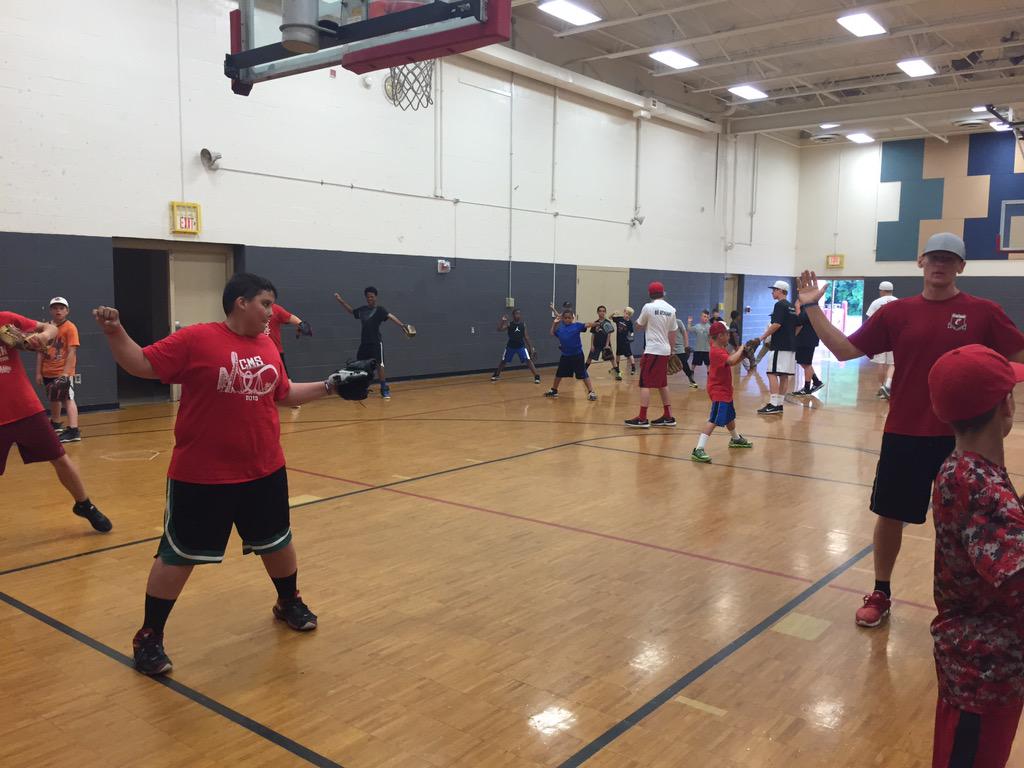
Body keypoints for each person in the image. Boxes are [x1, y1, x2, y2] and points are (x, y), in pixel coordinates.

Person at [95, 273, 356, 677]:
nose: (273, 313)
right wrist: (116, 331)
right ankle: (149, 637)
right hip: (202, 475)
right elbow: (142, 363)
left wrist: (332, 385)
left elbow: (283, 394)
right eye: (266, 304)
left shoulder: (267, 344)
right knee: (178, 556)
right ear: (240, 302)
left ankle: (288, 602)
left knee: (277, 542)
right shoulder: (197, 339)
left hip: (264, 468)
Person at [795, 233, 1024, 628]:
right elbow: (845, 351)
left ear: (961, 267)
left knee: (974, 522)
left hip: (966, 437)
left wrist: (1000, 398)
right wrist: (813, 308)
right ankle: (881, 590)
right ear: (920, 262)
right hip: (906, 430)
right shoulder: (896, 313)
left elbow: (1017, 359)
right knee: (889, 514)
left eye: (949, 259)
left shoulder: (984, 312)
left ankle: (975, 601)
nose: (941, 265)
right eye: (934, 257)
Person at [927, 345, 1024, 768]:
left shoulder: (965, 470)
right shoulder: (979, 487)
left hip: (982, 671)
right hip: (982, 679)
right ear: (1007, 404)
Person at [1, 308, 110, 532]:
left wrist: (42, 337)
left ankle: (85, 505)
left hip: (26, 410)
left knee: (60, 457)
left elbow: (49, 327)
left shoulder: (5, 319)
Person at [333, 287, 412, 400]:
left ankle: (384, 389)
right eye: (368, 297)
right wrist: (340, 300)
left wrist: (402, 326)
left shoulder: (380, 310)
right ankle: (360, 388)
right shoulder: (362, 310)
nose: (369, 298)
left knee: (380, 365)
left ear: (376, 297)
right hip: (364, 343)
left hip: (376, 342)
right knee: (360, 366)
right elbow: (351, 311)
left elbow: (390, 316)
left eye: (372, 296)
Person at [690, 321, 753, 462]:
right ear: (720, 336)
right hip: (718, 390)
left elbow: (732, 361)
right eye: (727, 333)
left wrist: (743, 355)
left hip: (725, 389)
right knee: (714, 419)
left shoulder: (721, 348)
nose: (729, 335)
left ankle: (735, 439)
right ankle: (698, 449)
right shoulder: (716, 351)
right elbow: (731, 361)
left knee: (729, 415)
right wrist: (741, 349)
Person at [624, 281, 676, 428]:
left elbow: (639, 326)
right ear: (663, 293)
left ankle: (642, 418)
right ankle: (668, 415)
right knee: (662, 383)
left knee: (645, 383)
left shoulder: (648, 307)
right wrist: (671, 351)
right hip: (665, 350)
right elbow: (673, 332)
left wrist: (635, 321)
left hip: (653, 350)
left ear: (650, 294)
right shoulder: (671, 309)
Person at [34, 297, 82, 443]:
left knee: (68, 398)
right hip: (48, 370)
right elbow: (40, 352)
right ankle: (55, 423)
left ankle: (74, 430)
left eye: (61, 308)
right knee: (53, 398)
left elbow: (72, 351)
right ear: (50, 311)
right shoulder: (46, 327)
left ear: (67, 311)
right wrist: (38, 372)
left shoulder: (70, 327)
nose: (58, 311)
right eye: (55, 308)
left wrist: (65, 374)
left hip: (63, 371)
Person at [755, 281, 797, 415]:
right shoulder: (791, 306)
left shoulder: (779, 305)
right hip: (790, 345)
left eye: (774, 290)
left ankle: (773, 404)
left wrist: (761, 338)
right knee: (784, 375)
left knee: (771, 373)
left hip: (779, 345)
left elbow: (776, 324)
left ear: (780, 290)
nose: (772, 292)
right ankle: (779, 404)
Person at [544, 309, 597, 400]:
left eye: (569, 318)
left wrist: (596, 324)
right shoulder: (560, 329)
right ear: (563, 319)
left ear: (572, 318)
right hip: (565, 355)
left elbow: (587, 324)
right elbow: (552, 333)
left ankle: (591, 392)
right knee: (559, 373)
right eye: (565, 318)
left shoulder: (577, 326)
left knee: (583, 374)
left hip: (577, 355)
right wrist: (555, 323)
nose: (567, 319)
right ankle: (554, 390)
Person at [866, 280, 898, 399]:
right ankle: (888, 385)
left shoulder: (876, 302)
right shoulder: (898, 301)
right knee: (893, 363)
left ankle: (881, 387)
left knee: (880, 363)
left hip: (879, 338)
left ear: (882, 291)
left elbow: (869, 321)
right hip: (894, 338)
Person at [491, 309, 541, 383]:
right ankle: (496, 375)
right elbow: (499, 329)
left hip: (521, 346)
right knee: (503, 361)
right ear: (513, 315)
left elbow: (526, 337)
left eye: (519, 314)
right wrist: (503, 321)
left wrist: (531, 347)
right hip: (510, 346)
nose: (518, 315)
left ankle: (537, 376)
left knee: (528, 360)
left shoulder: (523, 324)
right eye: (516, 314)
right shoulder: (509, 324)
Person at [265, 302, 308, 379]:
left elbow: (291, 318)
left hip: (276, 352)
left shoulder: (275, 308)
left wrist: (301, 325)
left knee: (285, 381)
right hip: (256, 353)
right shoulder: (249, 309)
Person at [791, 299, 823, 396]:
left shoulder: (809, 309)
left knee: (807, 363)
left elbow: (799, 321)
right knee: (803, 362)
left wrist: (797, 308)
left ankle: (806, 388)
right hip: (805, 340)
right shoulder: (810, 308)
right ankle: (816, 382)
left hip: (807, 340)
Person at [585, 306, 615, 372]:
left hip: (605, 344)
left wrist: (607, 345)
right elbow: (593, 334)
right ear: (597, 312)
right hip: (596, 343)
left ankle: (618, 372)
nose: (602, 312)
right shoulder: (595, 323)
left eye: (603, 311)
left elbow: (609, 334)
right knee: (589, 358)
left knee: (612, 359)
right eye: (600, 311)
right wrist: (592, 345)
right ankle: (583, 371)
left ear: (605, 312)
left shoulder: (607, 322)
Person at [610, 307, 636, 379]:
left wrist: (631, 336)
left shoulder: (629, 322)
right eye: (626, 313)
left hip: (626, 341)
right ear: (624, 312)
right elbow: (610, 317)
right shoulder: (619, 319)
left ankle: (633, 367)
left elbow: (632, 332)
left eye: (629, 315)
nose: (627, 315)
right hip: (619, 341)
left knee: (629, 354)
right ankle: (617, 368)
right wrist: (613, 313)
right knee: (618, 354)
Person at [672, 316, 697, 389]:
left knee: (684, 364)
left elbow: (685, 333)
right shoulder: (666, 323)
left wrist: (686, 346)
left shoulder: (678, 322)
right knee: (663, 365)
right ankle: (659, 382)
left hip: (680, 348)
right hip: (670, 348)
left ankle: (691, 380)